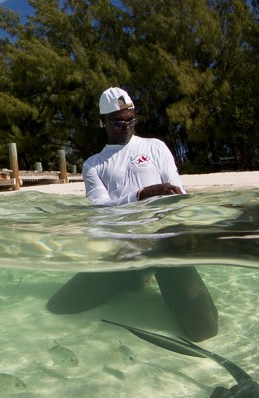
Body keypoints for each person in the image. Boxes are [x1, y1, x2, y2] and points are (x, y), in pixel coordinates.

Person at [47, 87, 218, 342]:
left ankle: (149, 273)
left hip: (163, 242)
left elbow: (178, 191)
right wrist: (139, 196)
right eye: (118, 122)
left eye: (131, 120)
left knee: (203, 329)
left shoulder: (156, 147)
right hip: (123, 246)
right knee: (60, 306)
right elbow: (100, 207)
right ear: (102, 121)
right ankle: (132, 276)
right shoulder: (93, 164)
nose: (126, 127)